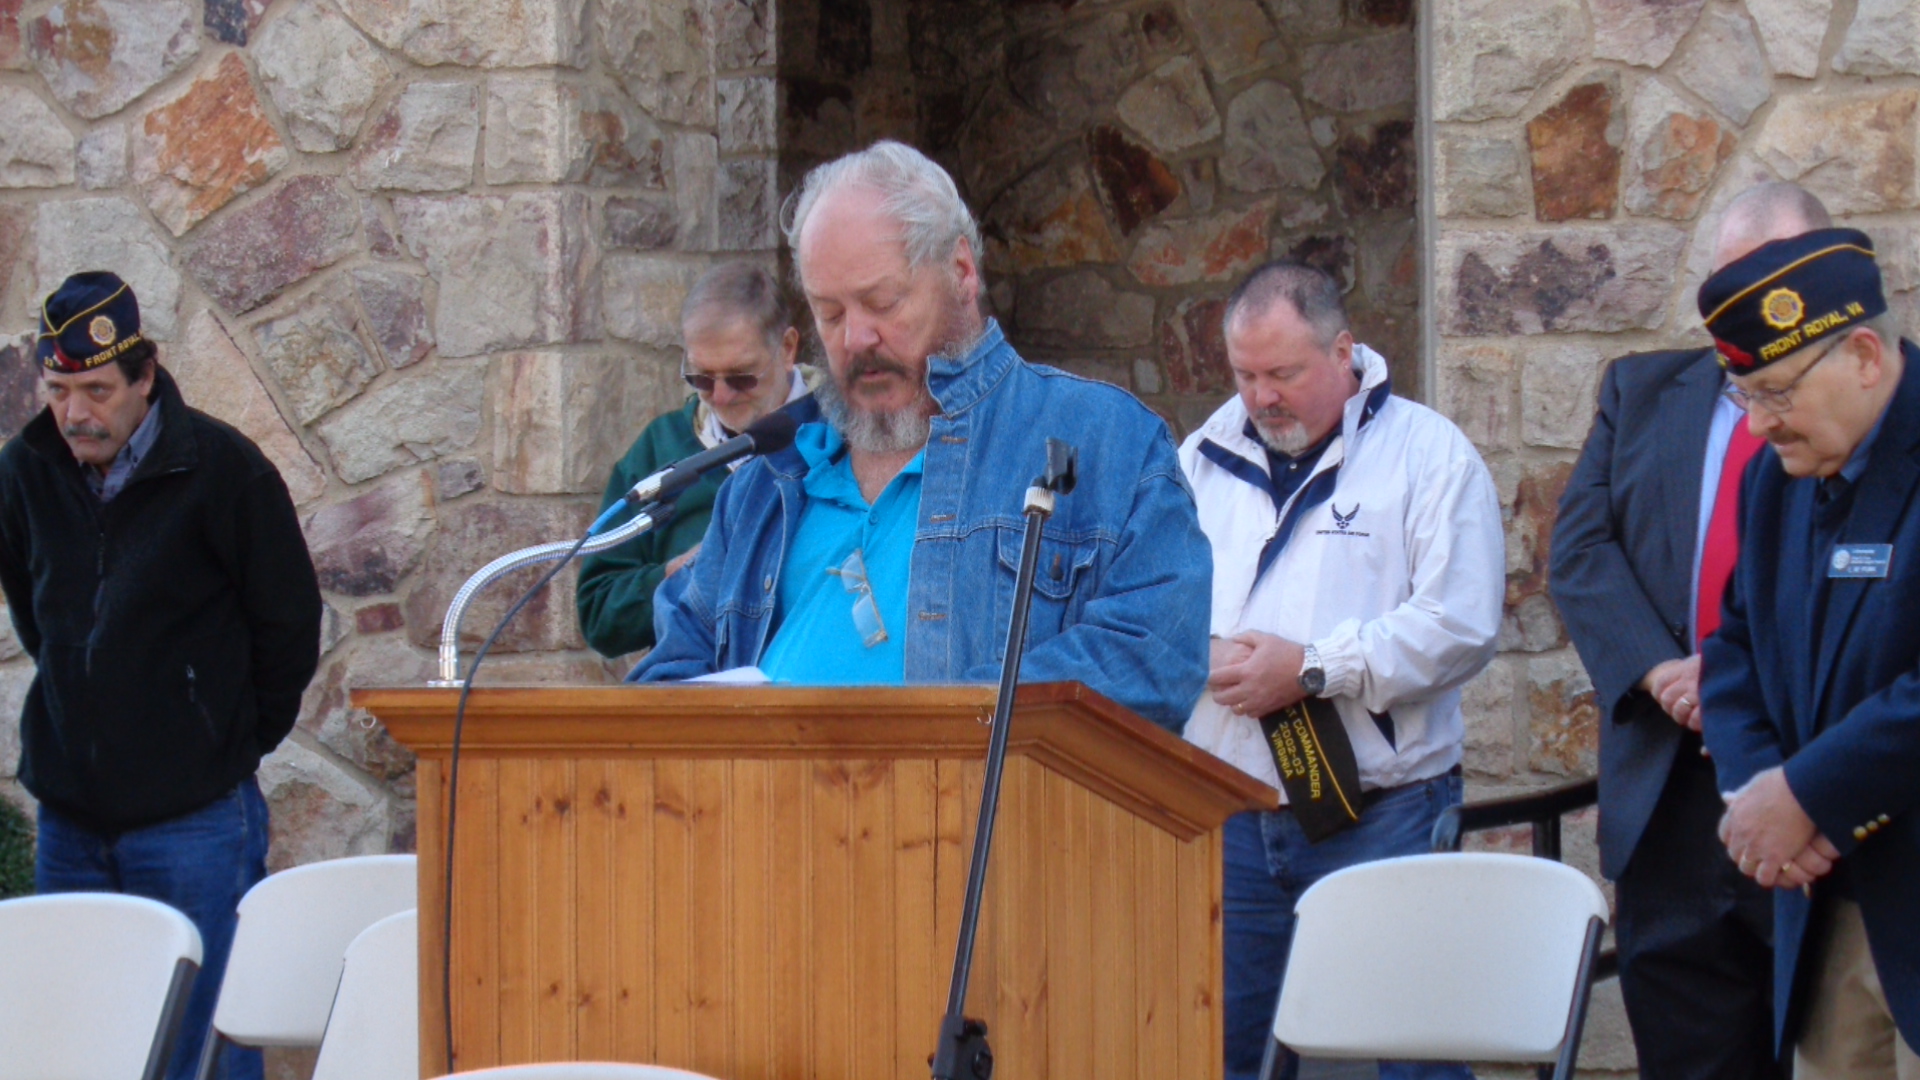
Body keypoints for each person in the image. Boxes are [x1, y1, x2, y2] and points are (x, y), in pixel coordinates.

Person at [631, 140, 1211, 731]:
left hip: (972, 819)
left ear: (961, 272)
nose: (856, 338)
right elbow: (667, 680)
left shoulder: (1102, 441)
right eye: (829, 314)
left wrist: (913, 743)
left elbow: (1152, 662)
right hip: (772, 818)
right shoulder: (767, 478)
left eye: (882, 302)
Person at [1179, 260, 1503, 1080]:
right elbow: (1154, 601)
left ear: (1345, 351)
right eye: (1246, 375)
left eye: (1283, 373)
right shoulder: (1200, 458)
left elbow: (1461, 627)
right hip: (1232, 812)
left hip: (1384, 814)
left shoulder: (1430, 457)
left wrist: (1317, 667)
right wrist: (1199, 652)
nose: (1262, 397)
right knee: (1226, 1053)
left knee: (1413, 1061)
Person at [0, 271, 323, 1080]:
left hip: (196, 820)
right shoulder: (24, 470)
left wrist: (223, 741)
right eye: (60, 389)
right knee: (79, 1044)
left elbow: (286, 624)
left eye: (98, 389)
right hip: (72, 818)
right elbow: (35, 610)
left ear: (145, 377)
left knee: (201, 1054)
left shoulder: (224, 470)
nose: (76, 412)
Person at [1549, 182, 1830, 1080]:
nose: (1740, 311)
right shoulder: (1639, 391)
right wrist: (1665, 672)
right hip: (1667, 806)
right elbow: (1582, 555)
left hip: (1810, 792)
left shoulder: (1866, 420)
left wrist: (1740, 687)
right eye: (1725, 283)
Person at [1697, 228, 1920, 1079]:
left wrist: (1808, 792)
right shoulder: (1774, 478)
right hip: (1824, 907)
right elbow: (1735, 649)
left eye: (1775, 392)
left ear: (1864, 354)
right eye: (1742, 395)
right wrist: (1764, 793)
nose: (1758, 423)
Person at [577, 261, 819, 657]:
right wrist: (678, 574)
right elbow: (598, 612)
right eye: (702, 378)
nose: (721, 396)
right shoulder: (661, 447)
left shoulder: (836, 431)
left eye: (741, 377)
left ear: (788, 348)